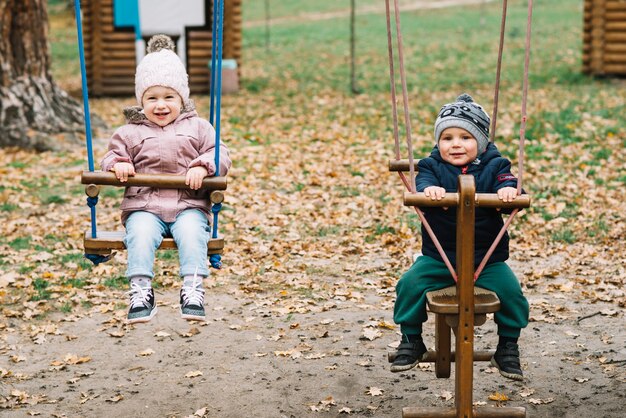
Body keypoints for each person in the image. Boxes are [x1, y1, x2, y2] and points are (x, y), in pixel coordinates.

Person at [390, 94, 529, 381]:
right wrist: (429, 191)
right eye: (447, 137)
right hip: (439, 258)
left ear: (481, 141)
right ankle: (411, 339)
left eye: (465, 137)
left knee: (513, 294)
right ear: (438, 143)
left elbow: (509, 183)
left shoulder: (495, 165)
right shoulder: (431, 167)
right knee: (408, 284)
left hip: (486, 260)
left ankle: (507, 346)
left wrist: (508, 192)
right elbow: (423, 182)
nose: (455, 144)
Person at [101, 35, 232, 324]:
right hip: (145, 206)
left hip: (188, 205)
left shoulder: (198, 127)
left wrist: (202, 166)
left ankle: (193, 288)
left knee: (192, 234)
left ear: (182, 98)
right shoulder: (129, 132)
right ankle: (140, 291)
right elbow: (110, 156)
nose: (161, 105)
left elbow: (220, 153)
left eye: (169, 97)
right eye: (152, 98)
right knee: (141, 234)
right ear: (141, 100)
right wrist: (119, 164)